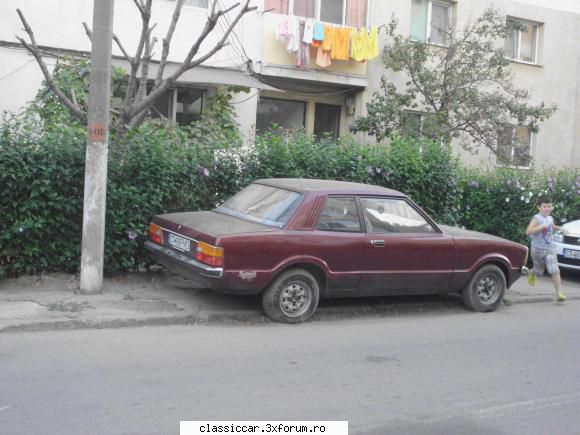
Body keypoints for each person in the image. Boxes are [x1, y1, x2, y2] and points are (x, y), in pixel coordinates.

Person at [525, 195, 567, 302]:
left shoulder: (550, 218)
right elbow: (528, 231)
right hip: (537, 249)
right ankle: (532, 272)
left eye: (549, 206)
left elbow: (552, 226)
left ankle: (558, 293)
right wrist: (540, 227)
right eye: (545, 206)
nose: (547, 208)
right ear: (539, 207)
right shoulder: (536, 218)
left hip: (550, 247)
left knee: (555, 270)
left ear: (552, 207)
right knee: (539, 271)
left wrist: (560, 229)